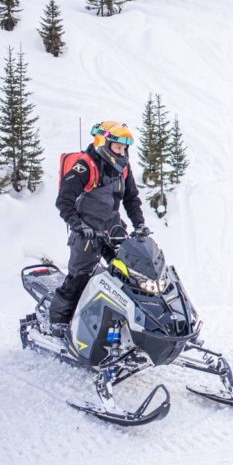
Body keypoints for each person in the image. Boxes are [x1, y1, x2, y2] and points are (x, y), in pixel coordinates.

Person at [50, 121, 148, 334]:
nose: (122, 152)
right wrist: (77, 225)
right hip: (86, 232)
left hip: (113, 229)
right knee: (80, 276)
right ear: (103, 143)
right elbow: (64, 200)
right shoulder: (85, 166)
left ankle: (134, 320)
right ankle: (58, 322)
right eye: (118, 147)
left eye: (124, 148)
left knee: (130, 273)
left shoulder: (123, 169)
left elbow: (131, 198)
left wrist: (139, 224)